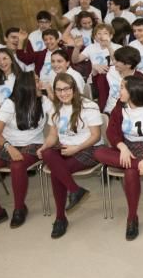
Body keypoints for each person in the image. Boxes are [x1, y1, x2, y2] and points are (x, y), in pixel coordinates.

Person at [0, 73, 50, 232]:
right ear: (26, 85)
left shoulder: (44, 101)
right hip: (6, 145)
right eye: (37, 81)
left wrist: (50, 90)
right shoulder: (10, 104)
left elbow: (59, 112)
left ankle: (19, 208)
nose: (40, 83)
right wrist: (9, 147)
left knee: (17, 166)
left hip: (32, 145)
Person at [93, 76, 143, 240]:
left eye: (122, 87)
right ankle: (141, 167)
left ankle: (132, 218)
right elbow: (111, 132)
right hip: (126, 149)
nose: (118, 91)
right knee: (98, 152)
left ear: (133, 91)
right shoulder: (119, 108)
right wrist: (122, 147)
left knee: (130, 172)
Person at [39, 73, 104, 239]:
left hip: (88, 148)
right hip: (64, 147)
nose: (63, 93)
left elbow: (96, 136)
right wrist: (44, 146)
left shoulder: (89, 105)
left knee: (57, 172)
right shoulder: (55, 107)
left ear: (74, 89)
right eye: (59, 90)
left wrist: (76, 148)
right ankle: (75, 190)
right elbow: (53, 135)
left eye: (67, 89)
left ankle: (60, 218)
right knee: (47, 153)